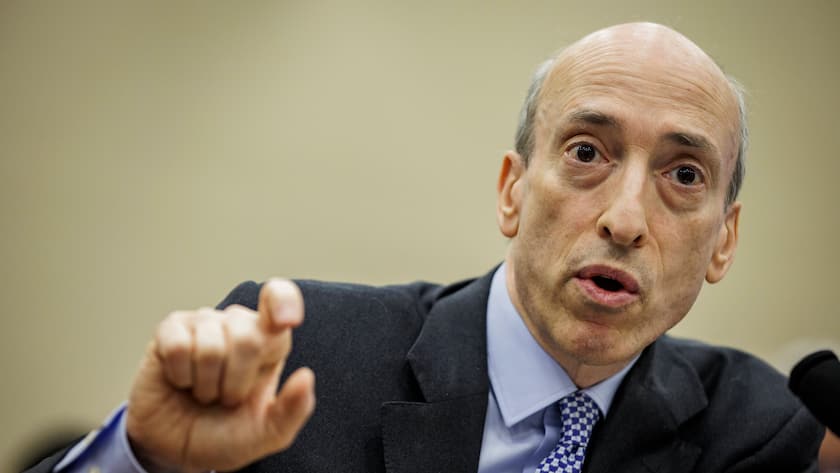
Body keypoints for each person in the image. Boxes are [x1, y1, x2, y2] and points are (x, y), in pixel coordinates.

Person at [27, 22, 823, 473]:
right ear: (512, 188)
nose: (623, 217)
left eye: (683, 173)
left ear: (724, 240)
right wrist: (139, 460)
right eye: (586, 152)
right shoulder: (295, 363)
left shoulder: (759, 431)